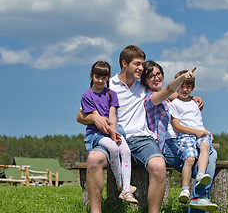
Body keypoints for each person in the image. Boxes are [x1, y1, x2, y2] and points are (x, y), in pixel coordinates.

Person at [77, 45, 205, 213]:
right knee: (94, 159)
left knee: (159, 165)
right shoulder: (109, 86)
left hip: (141, 139)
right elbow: (80, 116)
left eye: (142, 64)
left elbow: (166, 92)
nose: (141, 68)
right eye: (137, 64)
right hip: (113, 136)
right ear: (124, 63)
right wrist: (94, 117)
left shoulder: (143, 86)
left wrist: (190, 97)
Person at [141, 61, 218, 212]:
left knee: (210, 154)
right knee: (204, 163)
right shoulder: (149, 98)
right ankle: (198, 199)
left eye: (158, 74)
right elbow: (169, 91)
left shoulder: (171, 97)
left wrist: (191, 96)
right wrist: (183, 79)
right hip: (168, 144)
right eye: (151, 76)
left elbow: (178, 96)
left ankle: (197, 199)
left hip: (185, 138)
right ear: (144, 81)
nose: (156, 78)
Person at [80, 61, 137, 204]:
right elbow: (97, 118)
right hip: (96, 134)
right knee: (113, 148)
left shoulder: (111, 94)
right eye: (97, 77)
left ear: (108, 78)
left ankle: (126, 190)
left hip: (113, 129)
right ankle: (121, 185)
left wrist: (114, 131)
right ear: (91, 76)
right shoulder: (87, 95)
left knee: (125, 150)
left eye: (104, 78)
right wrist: (110, 132)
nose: (100, 81)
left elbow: (113, 116)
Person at [169, 70, 214, 204]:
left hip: (199, 132)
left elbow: (197, 122)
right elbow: (177, 126)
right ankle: (185, 189)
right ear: (176, 87)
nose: (184, 89)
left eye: (188, 87)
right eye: (181, 86)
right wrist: (196, 132)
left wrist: (206, 131)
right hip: (186, 135)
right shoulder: (174, 104)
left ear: (192, 88)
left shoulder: (194, 103)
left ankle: (200, 174)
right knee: (190, 158)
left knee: (205, 147)